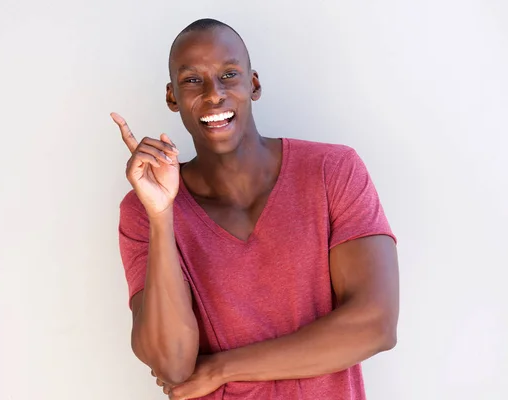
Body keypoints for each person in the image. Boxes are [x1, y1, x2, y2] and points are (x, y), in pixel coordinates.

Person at [111, 18, 399, 400]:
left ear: (254, 84)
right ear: (172, 97)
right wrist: (162, 215)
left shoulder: (333, 171)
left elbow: (375, 325)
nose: (214, 94)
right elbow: (173, 364)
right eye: (193, 80)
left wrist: (220, 369)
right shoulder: (141, 210)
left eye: (229, 74)